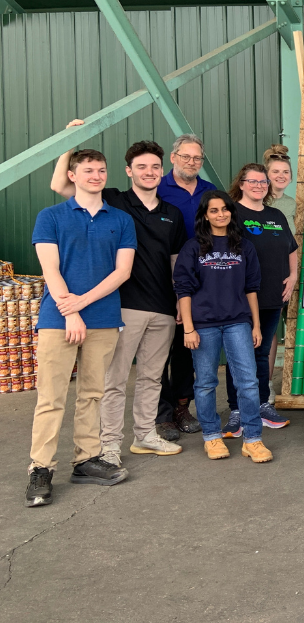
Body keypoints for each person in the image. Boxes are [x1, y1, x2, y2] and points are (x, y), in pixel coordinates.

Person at [50, 127, 187, 466]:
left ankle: (145, 435)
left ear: (162, 170)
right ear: (129, 171)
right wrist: (68, 142)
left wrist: (181, 304)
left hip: (163, 308)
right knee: (115, 381)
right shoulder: (113, 200)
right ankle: (109, 445)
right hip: (123, 306)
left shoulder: (173, 212)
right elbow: (60, 186)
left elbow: (175, 263)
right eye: (141, 167)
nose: (149, 172)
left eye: (155, 166)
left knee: (153, 377)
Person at [26, 149, 137, 507]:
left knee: (92, 394)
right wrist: (70, 311)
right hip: (58, 318)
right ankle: (40, 468)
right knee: (51, 397)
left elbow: (122, 272)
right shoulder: (51, 216)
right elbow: (50, 269)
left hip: (103, 318)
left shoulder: (120, 220)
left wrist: (82, 305)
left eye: (101, 170)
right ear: (72, 175)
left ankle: (86, 459)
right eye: (88, 170)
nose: (96, 176)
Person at [173, 191, 273, 462]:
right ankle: (211, 437)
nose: (220, 214)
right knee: (205, 383)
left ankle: (252, 439)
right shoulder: (193, 248)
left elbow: (252, 288)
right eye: (214, 210)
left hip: (237, 322)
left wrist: (255, 325)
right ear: (205, 215)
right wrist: (189, 329)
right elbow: (183, 289)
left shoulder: (244, 247)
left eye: (225, 209)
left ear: (231, 212)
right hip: (203, 325)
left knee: (248, 382)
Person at [220, 163, 297, 436]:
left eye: (262, 182)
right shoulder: (230, 213)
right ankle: (238, 410)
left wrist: (294, 274)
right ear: (240, 184)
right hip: (240, 298)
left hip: (272, 296)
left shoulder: (275, 214)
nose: (258, 186)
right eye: (251, 181)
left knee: (262, 353)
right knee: (239, 356)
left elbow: (291, 248)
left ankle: (262, 405)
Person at [155, 133, 215, 440]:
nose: (192, 162)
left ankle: (181, 406)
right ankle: (162, 414)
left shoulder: (209, 191)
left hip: (202, 281)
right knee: (158, 350)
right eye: (186, 156)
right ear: (173, 158)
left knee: (186, 348)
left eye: (197, 158)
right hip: (161, 277)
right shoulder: (157, 188)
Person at [262, 144, 296, 400]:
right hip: (263, 274)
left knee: (276, 330)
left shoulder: (291, 203)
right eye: (275, 171)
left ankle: (268, 384)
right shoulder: (257, 199)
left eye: (285, 171)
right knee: (264, 331)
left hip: (287, 273)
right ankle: (260, 382)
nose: (280, 176)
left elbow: (293, 242)